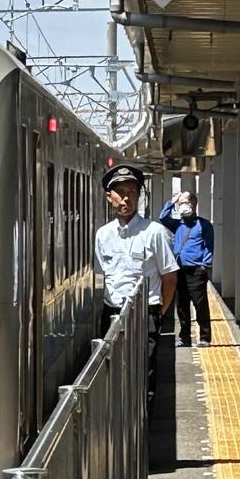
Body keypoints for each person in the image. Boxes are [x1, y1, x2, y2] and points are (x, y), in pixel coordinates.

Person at [94, 163, 179, 405]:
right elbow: (102, 275)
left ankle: (144, 416)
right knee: (111, 370)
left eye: (132, 192)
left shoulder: (154, 232)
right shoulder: (103, 235)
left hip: (145, 313)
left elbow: (169, 277)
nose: (126, 198)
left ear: (140, 196)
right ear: (109, 197)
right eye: (120, 192)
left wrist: (159, 312)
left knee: (144, 372)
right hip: (112, 311)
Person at [158, 189, 215, 347]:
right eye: (180, 203)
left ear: (193, 204)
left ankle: (204, 337)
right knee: (181, 306)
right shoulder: (178, 224)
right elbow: (163, 217)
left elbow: (209, 247)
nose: (182, 206)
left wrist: (204, 266)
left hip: (196, 271)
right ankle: (185, 338)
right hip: (180, 270)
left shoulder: (204, 225)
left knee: (200, 304)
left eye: (185, 202)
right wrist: (173, 201)